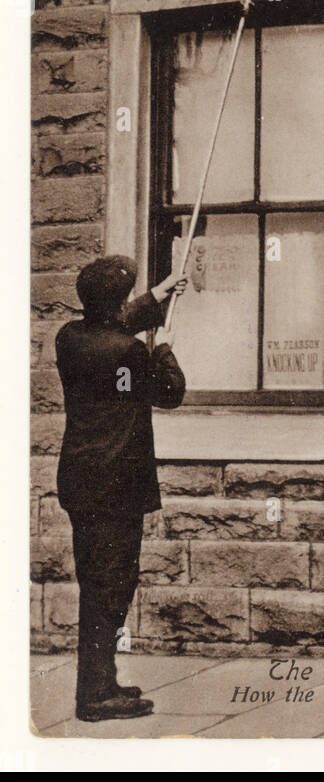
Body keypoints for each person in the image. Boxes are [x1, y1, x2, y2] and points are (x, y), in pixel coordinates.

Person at [54, 256, 188, 722]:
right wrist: (164, 349)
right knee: (111, 585)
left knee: (97, 582)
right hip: (115, 489)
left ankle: (102, 681)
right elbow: (169, 393)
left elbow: (113, 326)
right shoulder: (128, 354)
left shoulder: (69, 338)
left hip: (81, 483)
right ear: (115, 303)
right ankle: (94, 696)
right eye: (128, 294)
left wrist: (160, 293)